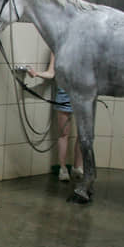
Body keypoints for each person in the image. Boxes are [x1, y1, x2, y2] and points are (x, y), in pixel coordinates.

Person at [25, 52, 83, 182]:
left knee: (83, 134)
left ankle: (78, 167)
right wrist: (36, 73)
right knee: (64, 133)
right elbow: (51, 73)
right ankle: (62, 168)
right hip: (65, 93)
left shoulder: (85, 44)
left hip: (83, 94)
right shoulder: (57, 48)